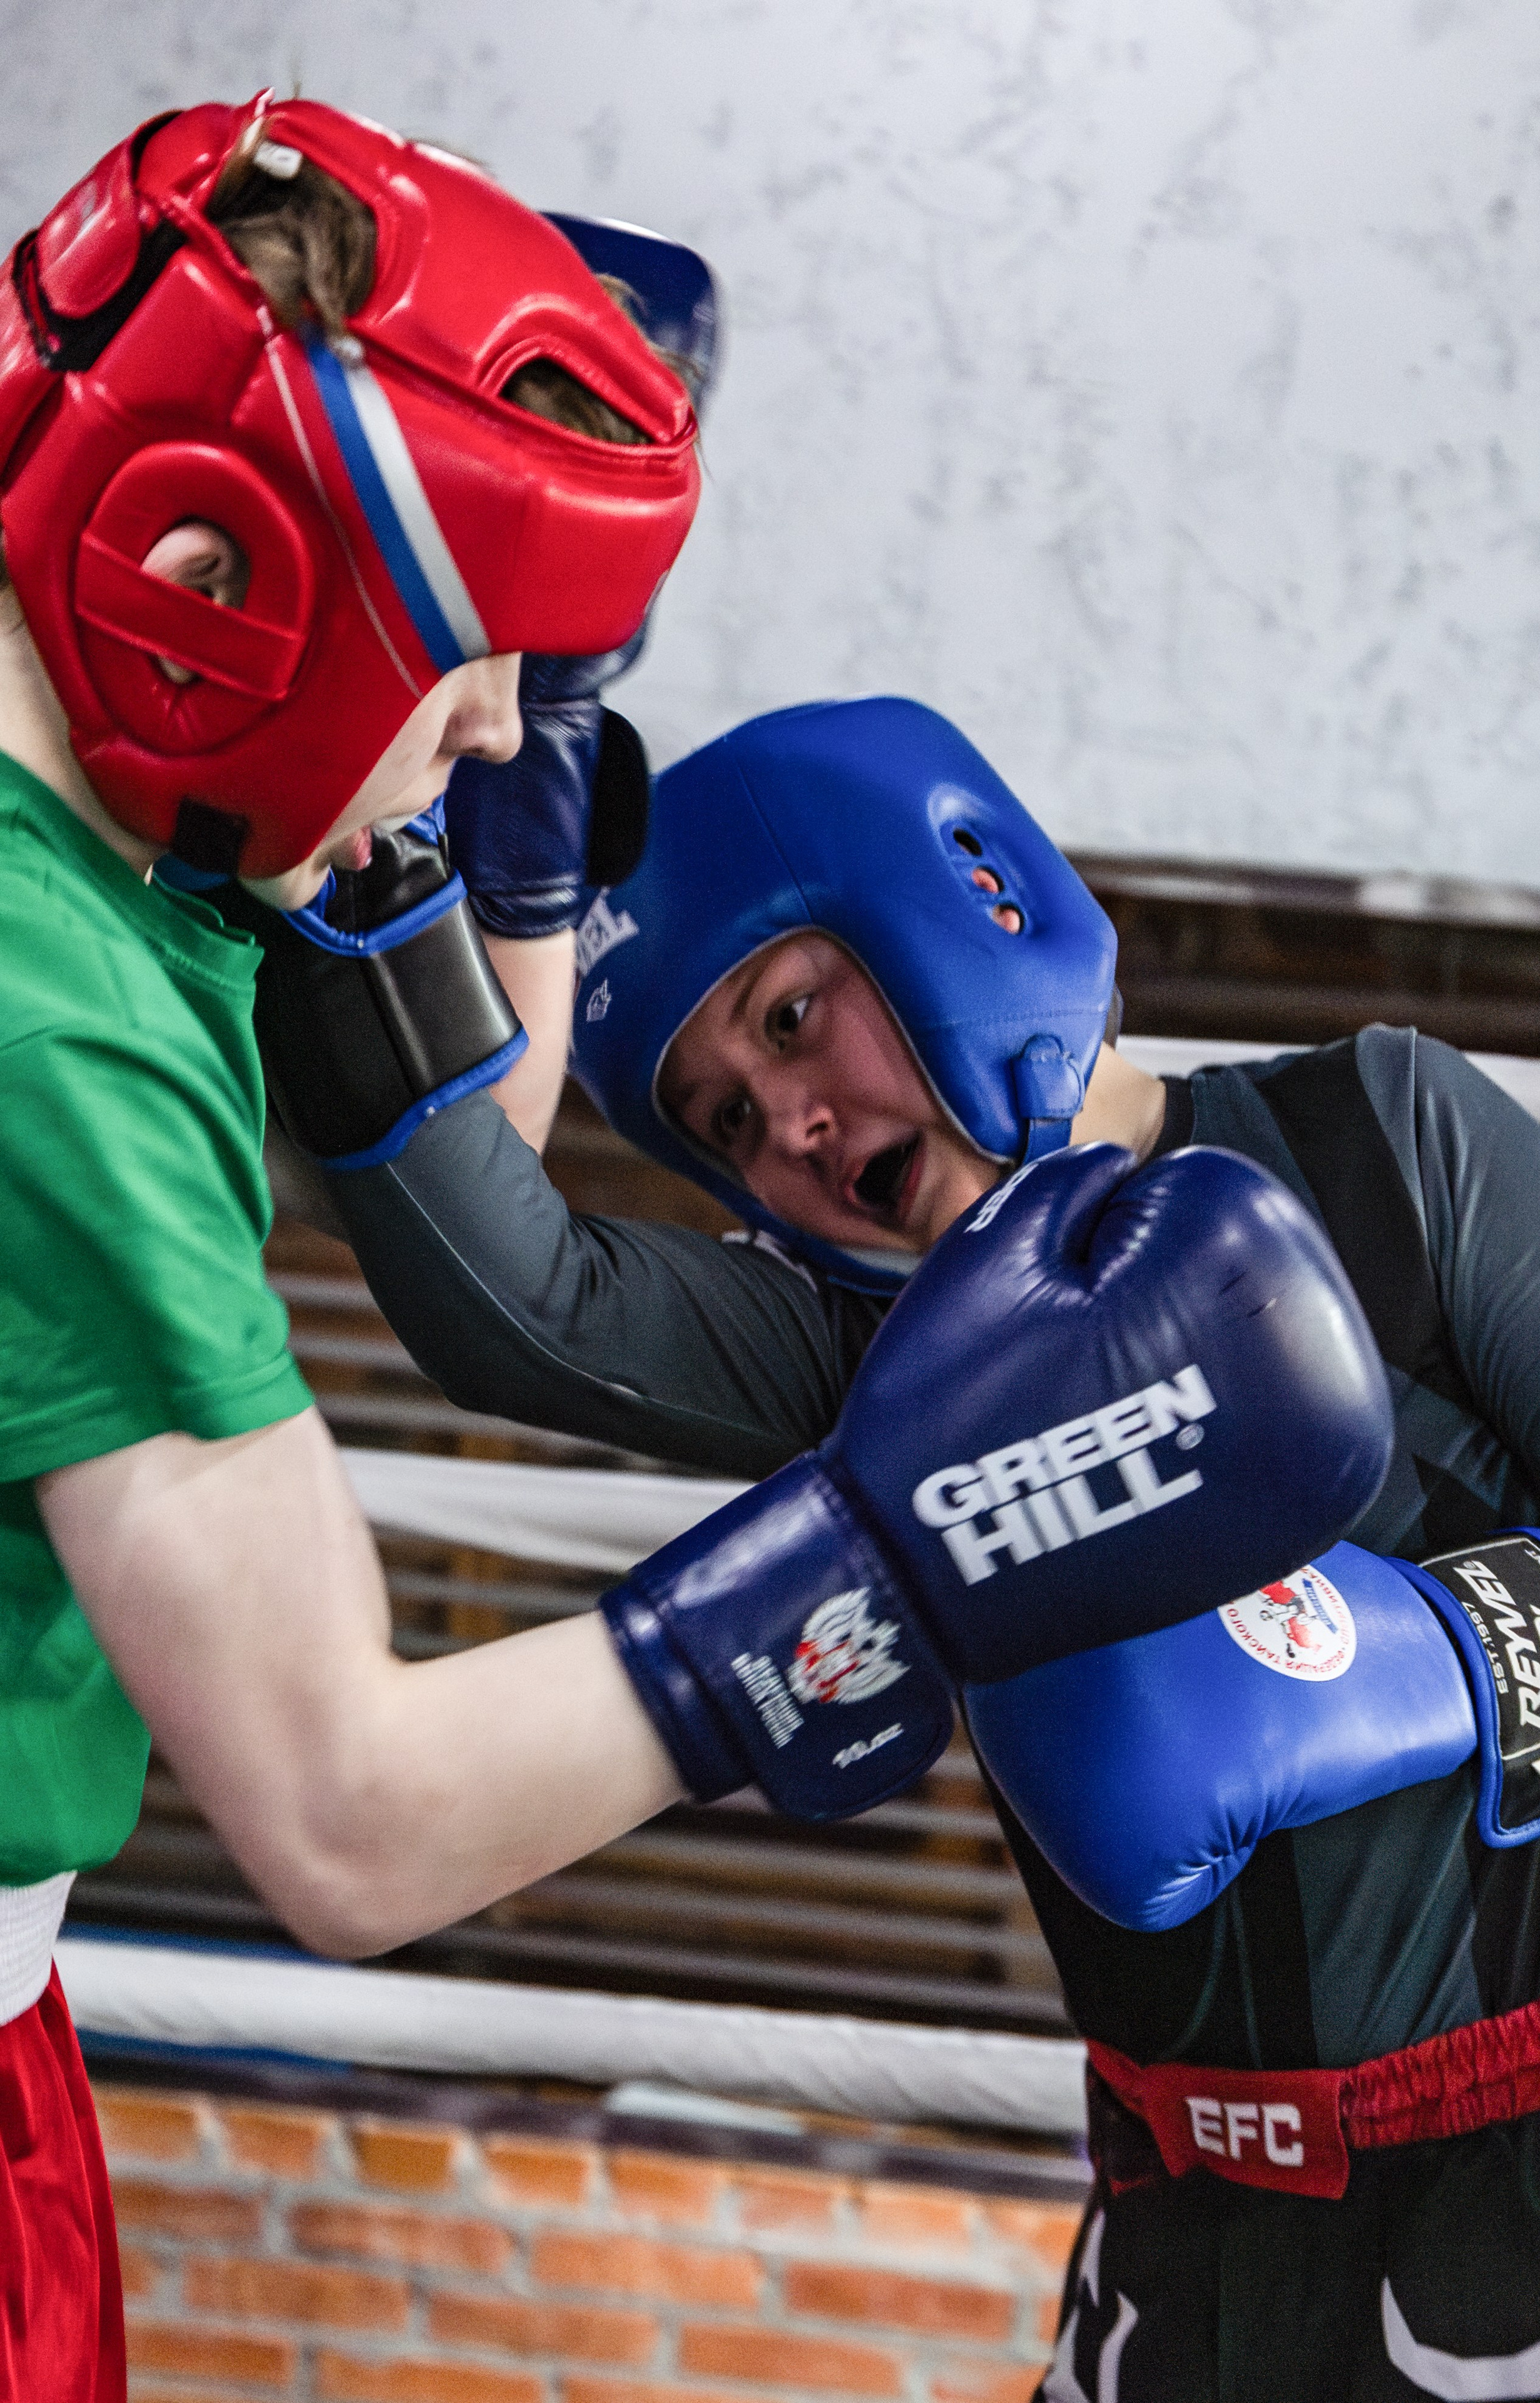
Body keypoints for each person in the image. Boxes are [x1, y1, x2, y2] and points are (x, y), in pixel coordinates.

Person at [0, 105, 1373, 2394]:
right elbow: (345, 1817)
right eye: (454, 678)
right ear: (223, 569)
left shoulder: (138, 826)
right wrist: (898, 1558)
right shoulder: (57, 1032)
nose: (461, 755)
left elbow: (481, 1127)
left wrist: (535, 720)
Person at [275, 695, 1540, 2397]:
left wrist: (1448, 1662)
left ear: (971, 894)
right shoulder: (869, 1355)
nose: (793, 1124)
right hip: (1183, 2240)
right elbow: (519, 1310)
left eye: (792, 1015)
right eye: (727, 1123)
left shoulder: (1383, 1145)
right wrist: (414, 865)